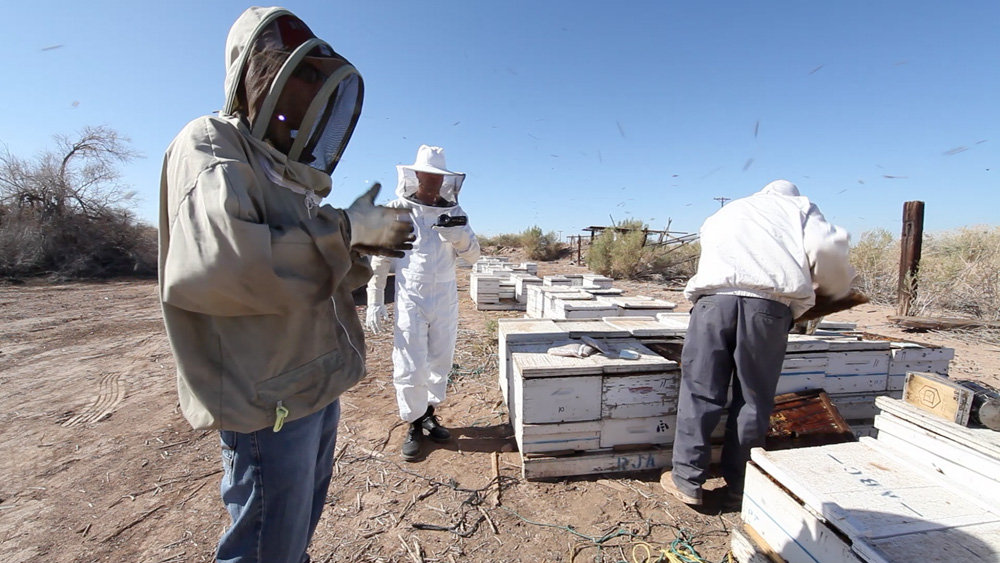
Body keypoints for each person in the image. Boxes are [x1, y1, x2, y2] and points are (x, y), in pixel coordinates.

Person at [158, 7, 414, 562]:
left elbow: (319, 276)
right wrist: (346, 230)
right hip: (266, 396)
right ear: (254, 75)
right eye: (291, 76)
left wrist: (359, 246)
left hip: (311, 386)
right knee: (264, 546)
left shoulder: (286, 173)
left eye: (311, 81)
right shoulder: (211, 143)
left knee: (291, 536)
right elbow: (225, 266)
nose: (302, 94)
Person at [661, 179, 855, 508]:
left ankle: (686, 480)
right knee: (752, 398)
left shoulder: (730, 210)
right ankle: (741, 485)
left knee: (699, 393)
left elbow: (711, 244)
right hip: (767, 310)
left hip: (712, 304)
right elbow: (827, 249)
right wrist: (836, 288)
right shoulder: (801, 208)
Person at [364, 145, 481, 461]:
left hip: (445, 298)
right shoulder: (396, 210)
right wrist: (375, 301)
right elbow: (379, 259)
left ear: (444, 179)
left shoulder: (454, 213)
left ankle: (429, 413)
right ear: (415, 175)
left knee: (439, 360)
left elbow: (474, 255)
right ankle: (413, 424)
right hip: (410, 298)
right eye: (426, 175)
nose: (430, 182)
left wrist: (458, 237)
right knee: (410, 363)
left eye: (437, 177)